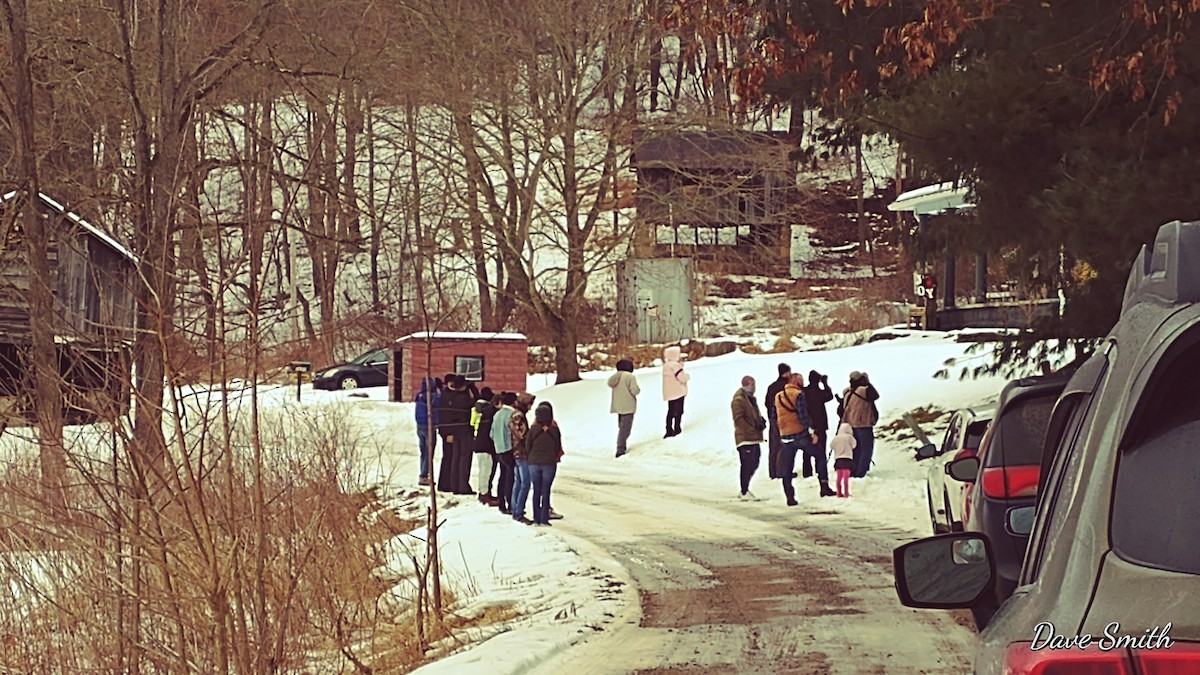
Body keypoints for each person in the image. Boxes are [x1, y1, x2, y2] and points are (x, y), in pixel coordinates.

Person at [776, 372, 836, 504]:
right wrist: (811, 432)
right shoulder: (798, 394)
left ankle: (789, 496)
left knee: (788, 466)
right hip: (800, 434)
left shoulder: (778, 396)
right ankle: (824, 486)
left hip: (785, 435)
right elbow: (803, 415)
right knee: (820, 455)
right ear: (797, 382)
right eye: (801, 381)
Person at [526, 401, 563, 526]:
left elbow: (527, 446)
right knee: (546, 490)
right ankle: (544, 518)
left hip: (534, 463)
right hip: (549, 462)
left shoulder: (533, 429)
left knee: (536, 490)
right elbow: (558, 446)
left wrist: (531, 456)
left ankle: (536, 518)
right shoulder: (554, 430)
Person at [437, 375, 475, 494]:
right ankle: (461, 486)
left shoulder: (445, 395)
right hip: (462, 431)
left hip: (451, 431)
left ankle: (451, 485)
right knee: (462, 458)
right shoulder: (462, 399)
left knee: (453, 458)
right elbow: (473, 402)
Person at [731, 375, 767, 500]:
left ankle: (745, 489)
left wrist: (760, 421)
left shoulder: (750, 399)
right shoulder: (739, 400)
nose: (755, 387)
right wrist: (750, 429)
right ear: (748, 384)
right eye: (753, 384)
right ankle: (744, 490)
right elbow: (738, 419)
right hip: (745, 438)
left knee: (755, 461)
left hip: (753, 437)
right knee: (747, 464)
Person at [841, 371, 881, 478]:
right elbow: (875, 395)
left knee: (856, 449)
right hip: (863, 424)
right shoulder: (864, 391)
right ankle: (861, 472)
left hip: (851, 425)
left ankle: (854, 470)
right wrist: (867, 382)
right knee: (866, 449)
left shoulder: (847, 392)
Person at [509, 391, 536, 525]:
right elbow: (521, 434)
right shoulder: (518, 416)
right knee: (525, 482)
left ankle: (516, 509)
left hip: (517, 452)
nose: (530, 407)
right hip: (521, 452)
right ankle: (518, 511)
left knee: (518, 482)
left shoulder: (516, 414)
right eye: (530, 404)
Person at [471, 388, 500, 506]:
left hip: (478, 442)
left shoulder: (477, 409)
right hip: (485, 445)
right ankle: (484, 494)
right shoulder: (489, 412)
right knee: (486, 470)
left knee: (484, 470)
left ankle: (484, 492)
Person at [804, 369, 834, 479]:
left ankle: (807, 471)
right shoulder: (819, 392)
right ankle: (819, 469)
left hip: (807, 424)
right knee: (821, 449)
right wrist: (825, 383)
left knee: (806, 449)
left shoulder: (804, 391)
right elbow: (830, 396)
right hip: (820, 424)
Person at [491, 392, 518, 514]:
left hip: (498, 449)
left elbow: (491, 433)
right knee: (510, 477)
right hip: (508, 448)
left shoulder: (497, 414)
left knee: (502, 476)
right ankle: (510, 504)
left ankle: (501, 503)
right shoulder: (511, 414)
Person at [608, 358, 640, 457]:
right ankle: (620, 449)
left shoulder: (614, 377)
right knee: (625, 429)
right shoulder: (630, 377)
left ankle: (621, 445)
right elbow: (635, 390)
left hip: (618, 406)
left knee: (621, 427)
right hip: (628, 406)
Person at [764, 363, 791, 480]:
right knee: (783, 445)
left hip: (772, 418)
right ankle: (781, 471)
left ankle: (772, 471)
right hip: (783, 418)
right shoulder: (786, 386)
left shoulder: (771, 387)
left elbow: (766, 403)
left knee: (773, 446)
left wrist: (770, 415)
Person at [414, 376, 441, 486]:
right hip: (429, 426)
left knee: (423, 452)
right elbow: (439, 403)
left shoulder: (419, 396)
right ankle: (424, 475)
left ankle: (422, 473)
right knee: (429, 452)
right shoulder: (433, 397)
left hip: (419, 425)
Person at [661, 345, 691, 438]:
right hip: (678, 392)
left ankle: (669, 429)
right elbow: (682, 378)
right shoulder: (675, 365)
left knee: (670, 411)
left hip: (669, 393)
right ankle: (677, 428)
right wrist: (687, 376)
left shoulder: (666, 365)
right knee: (679, 411)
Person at [830, 423, 858, 498]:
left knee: (839, 478)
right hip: (847, 460)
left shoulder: (836, 437)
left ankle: (839, 493)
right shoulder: (849, 437)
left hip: (838, 460)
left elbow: (831, 446)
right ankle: (846, 493)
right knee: (846, 479)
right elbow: (854, 445)